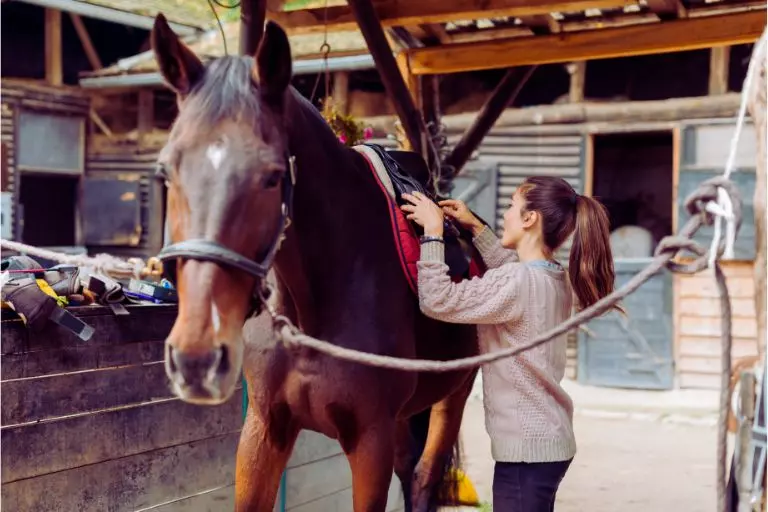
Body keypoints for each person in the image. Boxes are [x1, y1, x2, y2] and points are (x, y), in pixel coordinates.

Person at [400, 176, 617, 511]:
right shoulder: (552, 276)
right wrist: (475, 227)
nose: (505, 215)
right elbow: (511, 273)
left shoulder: (516, 282)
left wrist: (432, 231)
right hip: (546, 444)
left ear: (530, 219)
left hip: (526, 455)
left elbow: (437, 300)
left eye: (512, 207)